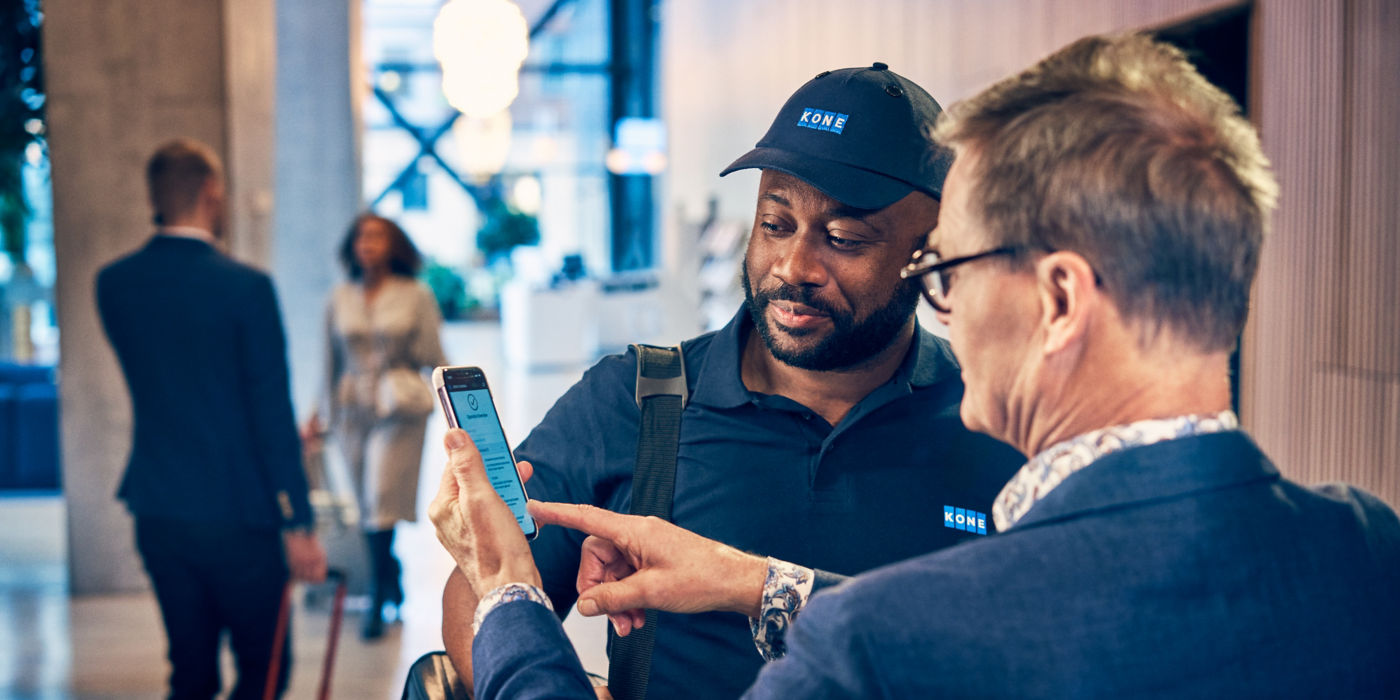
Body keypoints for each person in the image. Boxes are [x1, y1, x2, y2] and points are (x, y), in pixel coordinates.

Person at [431, 34, 1400, 698]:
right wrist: (755, 583)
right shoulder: (1369, 553)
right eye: (774, 223)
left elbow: (970, 627)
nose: (949, 302)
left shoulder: (876, 645)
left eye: (951, 267)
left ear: (1060, 300)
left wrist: (512, 593)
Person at [437, 63, 1022, 698]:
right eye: (776, 224)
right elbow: (486, 589)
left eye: (844, 238)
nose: (793, 266)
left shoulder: (1000, 414)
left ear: (932, 250)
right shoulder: (638, 402)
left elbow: (1031, 644)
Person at [96, 138, 327, 699]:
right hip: (239, 514)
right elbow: (270, 412)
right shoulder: (246, 288)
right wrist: (298, 521)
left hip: (158, 508)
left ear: (154, 198)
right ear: (210, 192)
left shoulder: (114, 283)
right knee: (263, 670)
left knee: (190, 672)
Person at [303, 213, 446, 640]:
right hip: (351, 410)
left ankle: (378, 597)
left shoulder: (416, 294)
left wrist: (462, 406)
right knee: (366, 505)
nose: (368, 243)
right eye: (362, 236)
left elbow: (435, 355)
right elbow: (328, 361)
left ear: (393, 244)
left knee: (380, 496)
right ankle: (391, 572)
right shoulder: (339, 297)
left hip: (398, 409)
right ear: (352, 245)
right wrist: (316, 413)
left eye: (377, 236)